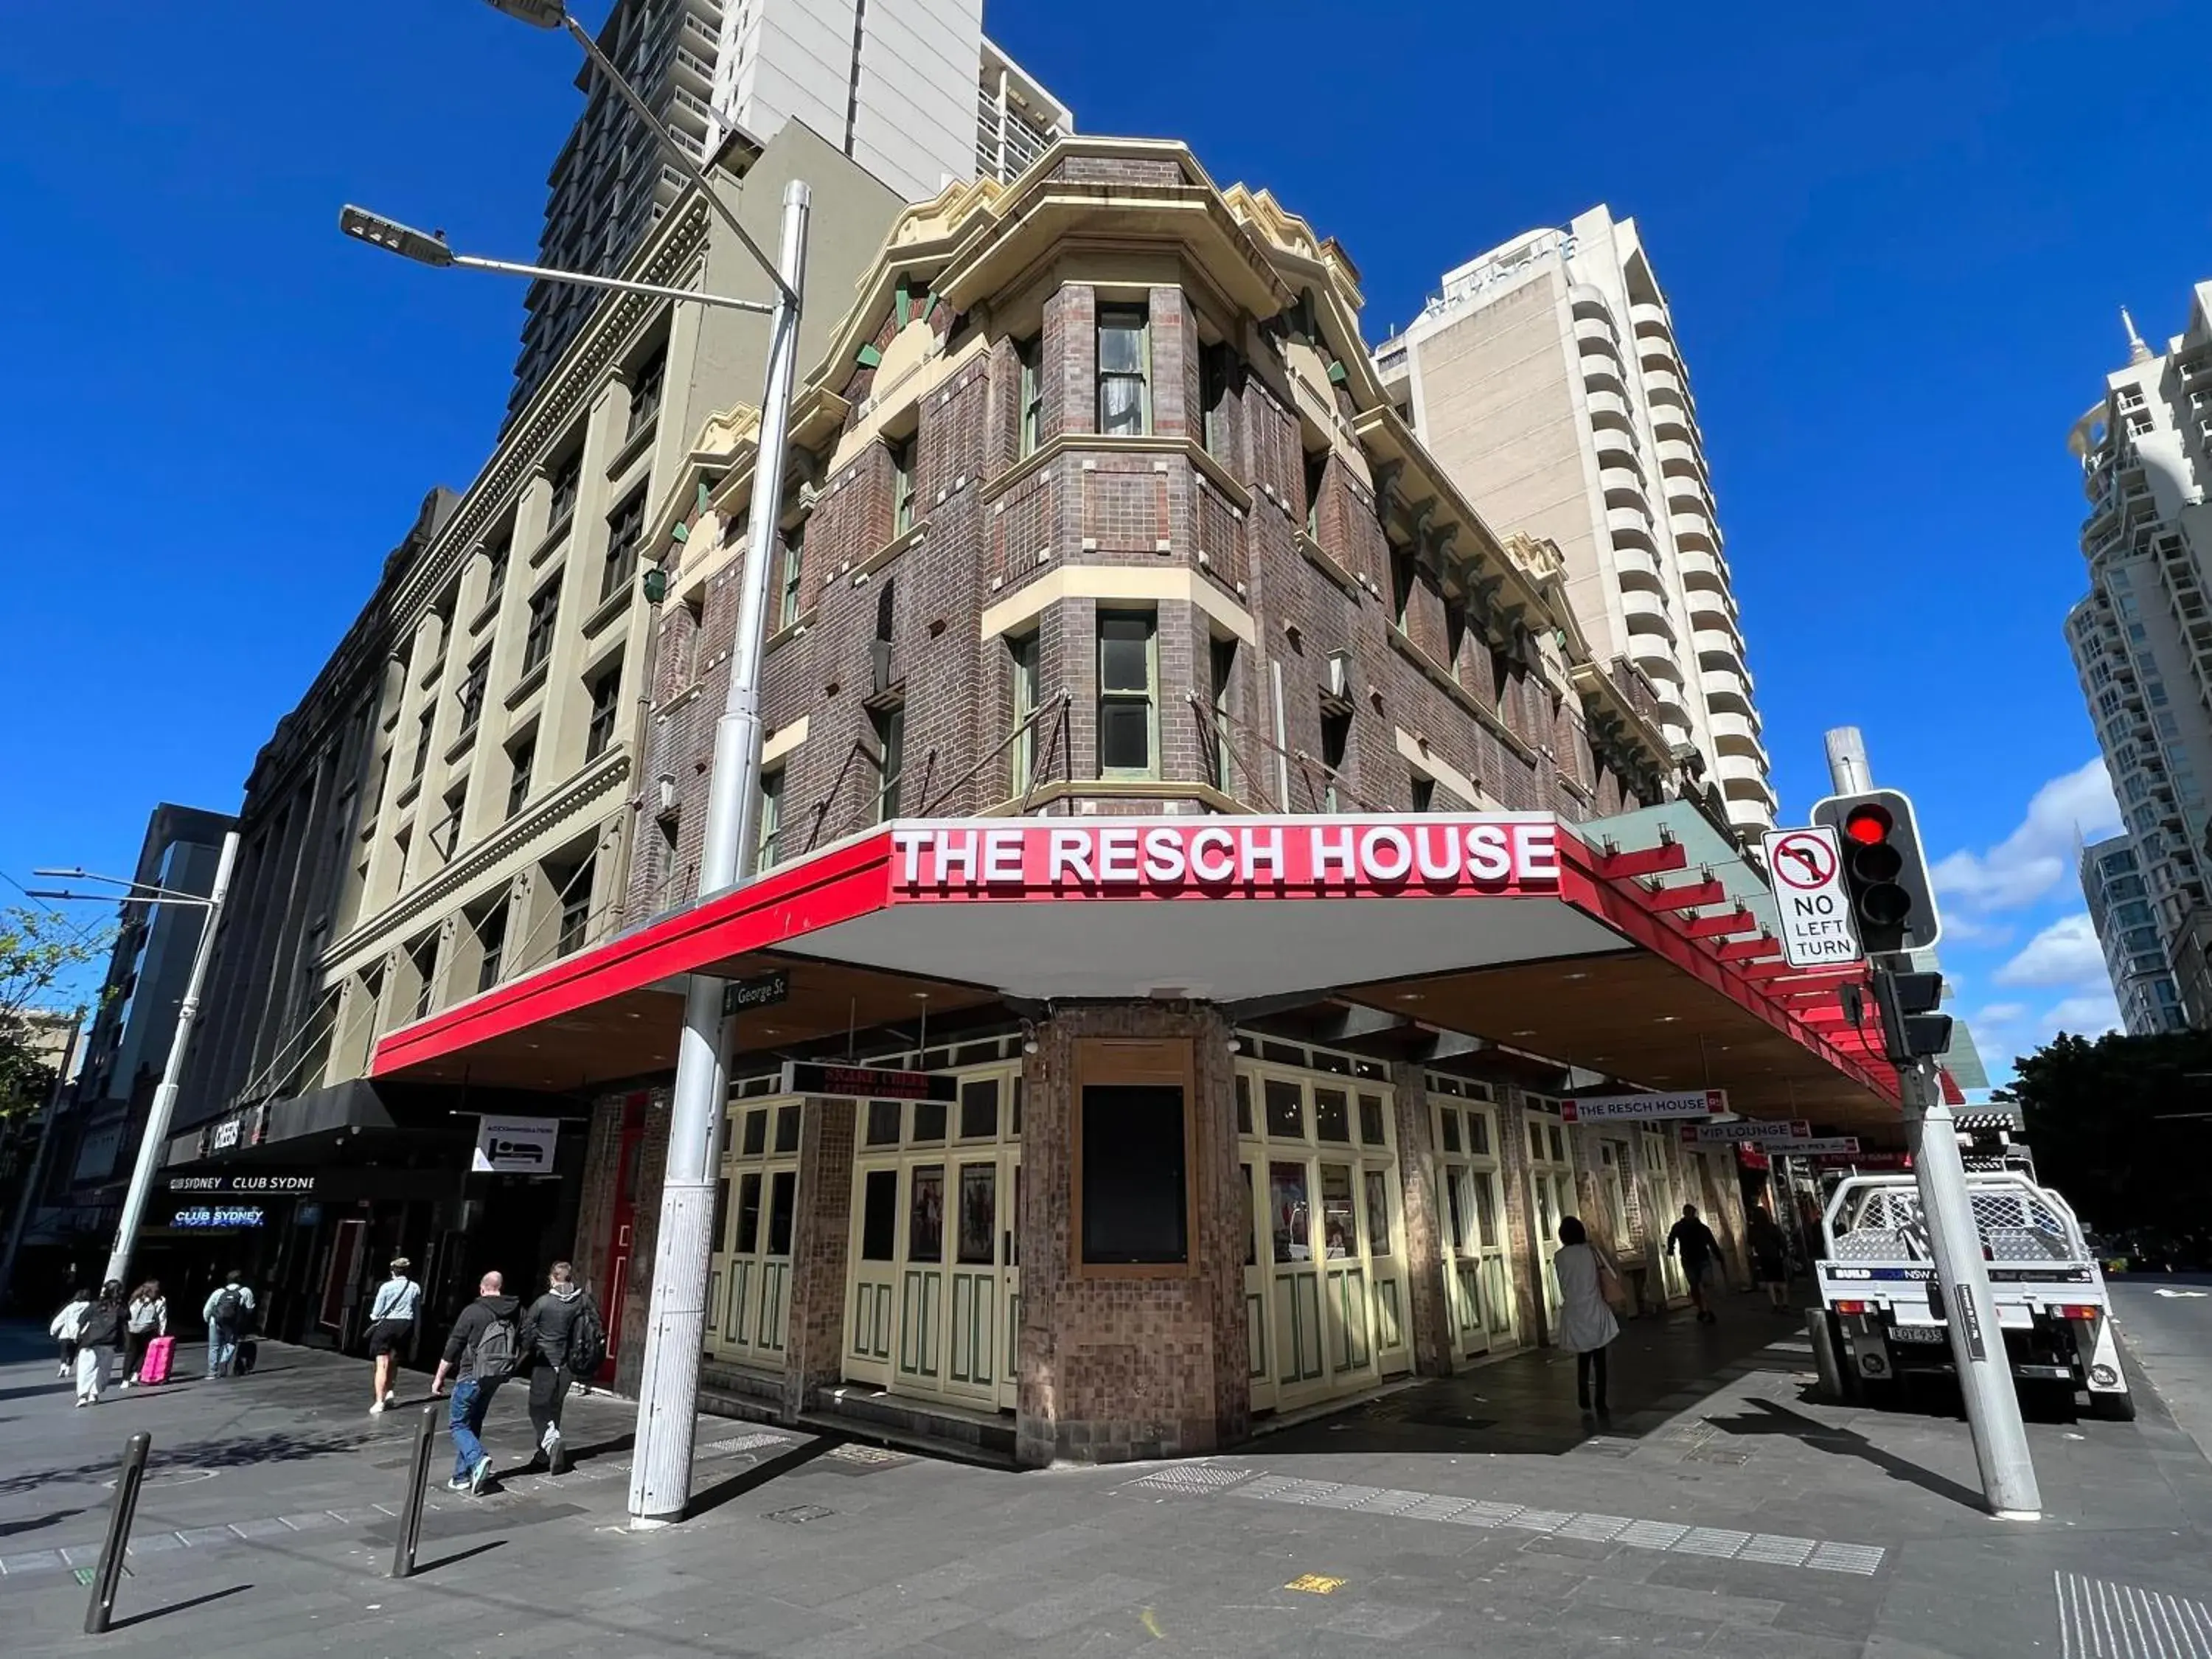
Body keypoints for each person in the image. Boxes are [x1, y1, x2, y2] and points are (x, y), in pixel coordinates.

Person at [432, 1271, 523, 1495]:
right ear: (500, 1287)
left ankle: (478, 1458)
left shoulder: (473, 1311)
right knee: (474, 1423)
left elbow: (454, 1345)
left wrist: (439, 1377)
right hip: (495, 1376)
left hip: (470, 1374)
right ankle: (462, 1476)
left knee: (458, 1424)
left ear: (482, 1289)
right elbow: (526, 1337)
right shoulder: (516, 1311)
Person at [519, 1262, 605, 1475]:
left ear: (552, 1278)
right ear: (569, 1278)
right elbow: (596, 1327)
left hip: (546, 1363)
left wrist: (524, 1352)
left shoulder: (543, 1303)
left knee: (537, 1407)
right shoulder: (582, 1301)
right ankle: (543, 1456)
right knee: (555, 1406)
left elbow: (526, 1333)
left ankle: (550, 1442)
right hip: (569, 1364)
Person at [1552, 1217, 1620, 1416]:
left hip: (1574, 1311)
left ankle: (1583, 1396)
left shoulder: (1559, 1257)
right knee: (1600, 1359)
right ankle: (1600, 1400)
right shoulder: (1589, 1252)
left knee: (1583, 1357)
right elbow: (1610, 1274)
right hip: (1594, 1307)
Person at [365, 1257, 422, 1414]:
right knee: (394, 1359)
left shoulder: (385, 1287)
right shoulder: (415, 1287)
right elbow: (417, 1310)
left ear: (393, 1271)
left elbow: (376, 1313)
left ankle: (379, 1401)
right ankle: (390, 1391)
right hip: (405, 1326)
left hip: (387, 1326)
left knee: (382, 1363)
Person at [1667, 1203, 1724, 1324]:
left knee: (1702, 1285)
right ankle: (1703, 1309)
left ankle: (1705, 1309)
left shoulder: (1696, 1227)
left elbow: (1711, 1242)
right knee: (1698, 1286)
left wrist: (1671, 1249)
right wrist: (1670, 1249)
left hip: (1697, 1259)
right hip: (1694, 1260)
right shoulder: (1687, 1227)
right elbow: (1671, 1237)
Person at [73, 1281, 126, 1408]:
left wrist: (77, 1335)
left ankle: (82, 1396)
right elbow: (126, 1321)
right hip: (109, 1343)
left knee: (85, 1370)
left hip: (90, 1343)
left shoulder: (94, 1305)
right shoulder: (121, 1308)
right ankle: (94, 1394)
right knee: (103, 1371)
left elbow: (81, 1320)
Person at [202, 1270, 256, 1378]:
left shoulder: (219, 1292)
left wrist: (209, 1321)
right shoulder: (246, 1291)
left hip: (216, 1321)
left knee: (214, 1347)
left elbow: (207, 1309)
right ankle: (224, 1360)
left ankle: (212, 1373)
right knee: (230, 1344)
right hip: (233, 1324)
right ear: (240, 1280)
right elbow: (250, 1309)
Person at [122, 1281, 168, 1386]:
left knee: (130, 1353)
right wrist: (161, 1332)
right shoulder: (160, 1300)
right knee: (143, 1352)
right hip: (148, 1329)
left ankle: (125, 1379)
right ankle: (136, 1374)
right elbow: (162, 1317)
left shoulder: (136, 1297)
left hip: (132, 1328)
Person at [1747, 1206, 1792, 1313]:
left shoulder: (1753, 1229)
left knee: (1769, 1281)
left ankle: (1775, 1303)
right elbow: (1781, 1240)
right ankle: (1785, 1302)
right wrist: (1785, 1253)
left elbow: (1750, 1242)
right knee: (1781, 1280)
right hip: (1775, 1256)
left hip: (1763, 1256)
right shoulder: (1772, 1227)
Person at [50, 1287, 91, 1380]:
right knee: (73, 1351)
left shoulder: (70, 1307)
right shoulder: (89, 1307)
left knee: (64, 1351)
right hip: (80, 1333)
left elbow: (60, 1318)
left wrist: (53, 1330)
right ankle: (69, 1367)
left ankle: (63, 1365)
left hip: (66, 1333)